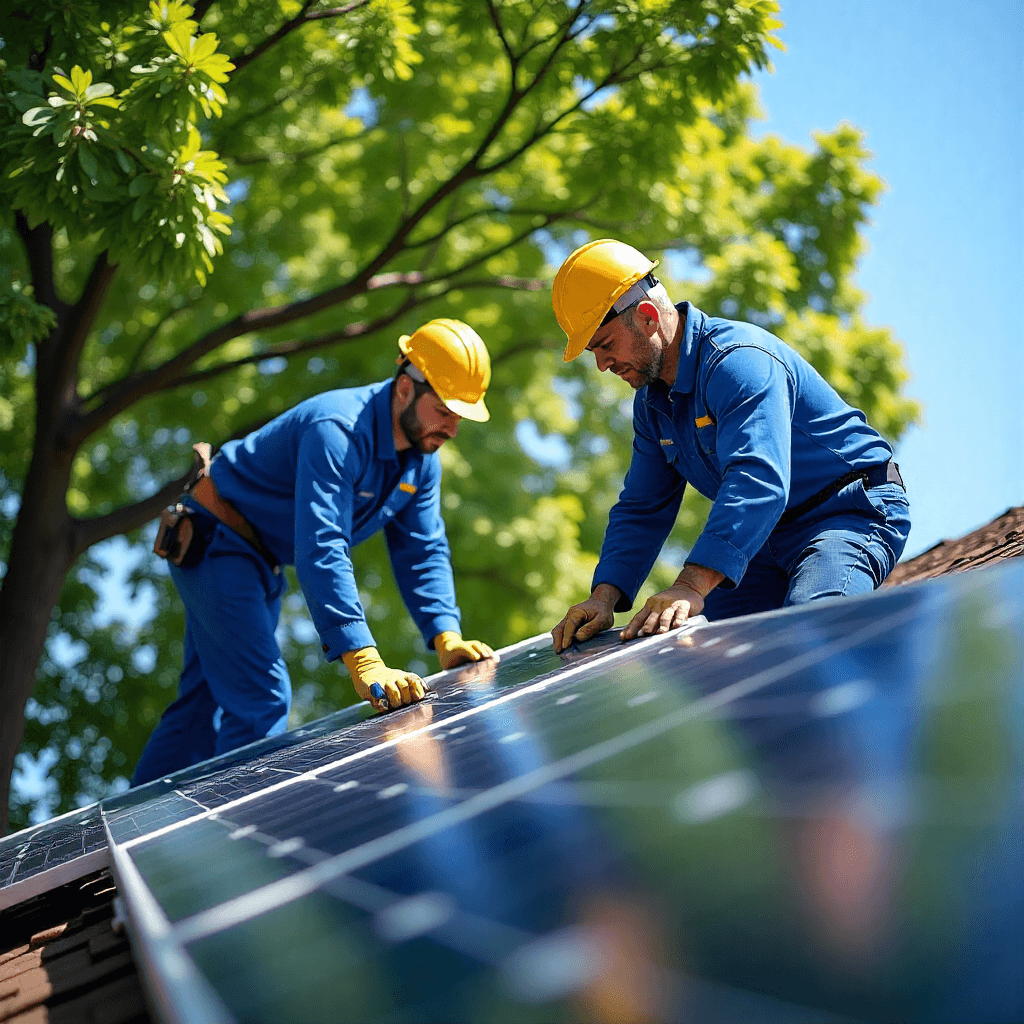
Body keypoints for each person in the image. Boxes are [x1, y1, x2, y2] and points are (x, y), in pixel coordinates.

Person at [134, 318, 496, 785]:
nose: (453, 427)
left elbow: (422, 548)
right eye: (445, 410)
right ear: (406, 388)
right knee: (262, 699)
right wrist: (361, 657)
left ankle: (132, 824)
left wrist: (446, 635)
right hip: (216, 542)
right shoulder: (337, 429)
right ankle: (235, 832)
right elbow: (322, 543)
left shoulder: (421, 461)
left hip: (255, 559)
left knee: (202, 701)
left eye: (461, 416)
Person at [549, 239, 911, 653]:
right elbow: (642, 508)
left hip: (847, 512)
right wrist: (604, 596)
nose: (601, 365)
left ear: (648, 317)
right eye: (594, 352)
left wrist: (691, 584)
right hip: (764, 541)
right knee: (686, 651)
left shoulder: (739, 361)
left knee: (811, 633)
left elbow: (757, 479)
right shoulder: (652, 406)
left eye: (606, 345)